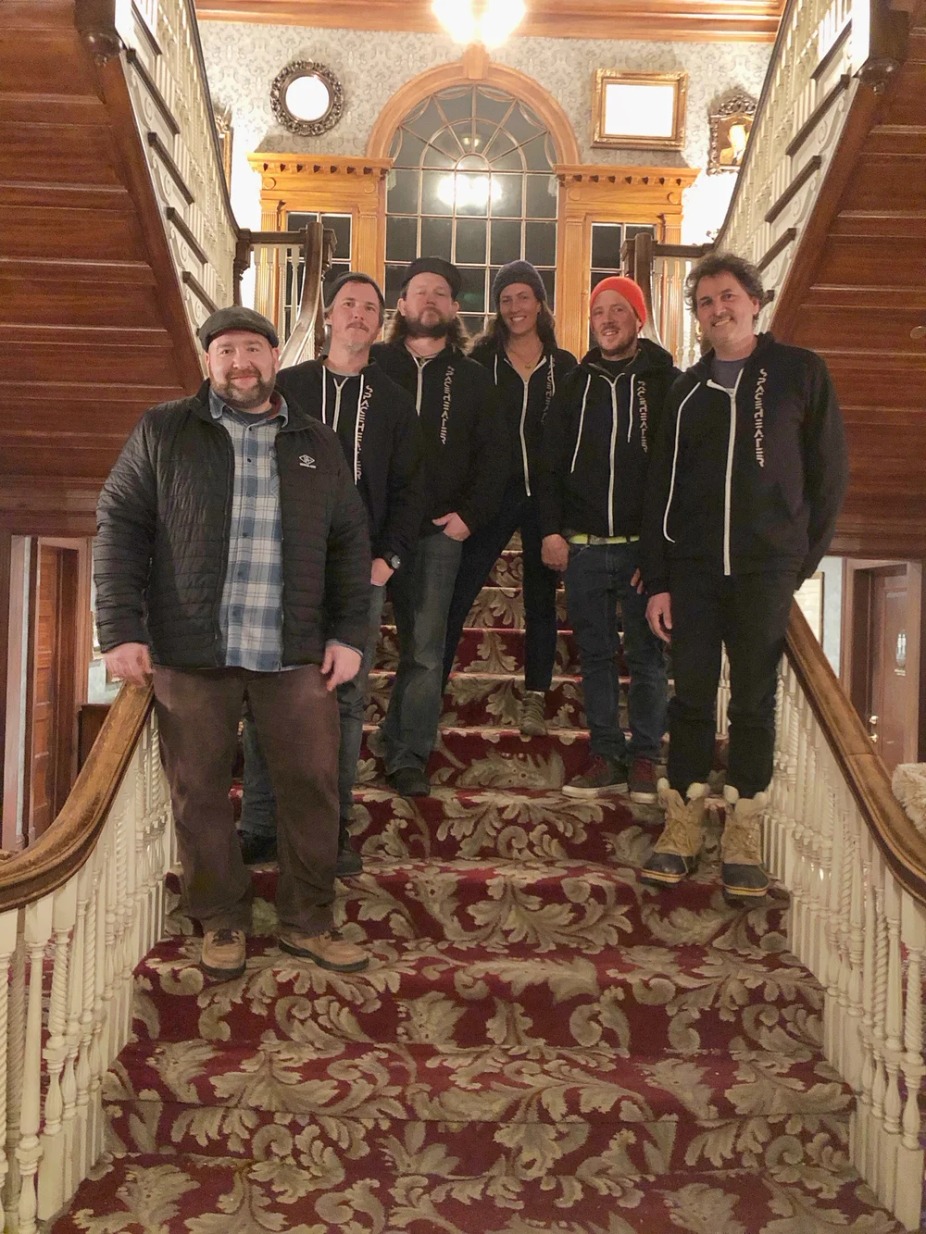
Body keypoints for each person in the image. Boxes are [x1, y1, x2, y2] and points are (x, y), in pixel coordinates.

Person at [94, 306, 372, 981]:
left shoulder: (317, 441)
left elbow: (348, 543)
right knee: (198, 792)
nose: (240, 362)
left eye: (253, 348)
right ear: (208, 361)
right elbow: (120, 524)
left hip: (294, 650)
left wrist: (349, 634)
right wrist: (120, 630)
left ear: (276, 358)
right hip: (192, 651)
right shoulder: (163, 430)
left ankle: (309, 920)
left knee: (313, 787)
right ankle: (222, 918)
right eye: (226, 350)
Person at [640, 252, 848, 900]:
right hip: (694, 573)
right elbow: (659, 490)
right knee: (691, 698)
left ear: (754, 301)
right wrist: (659, 579)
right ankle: (682, 825)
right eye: (705, 302)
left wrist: (797, 561)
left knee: (754, 702)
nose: (717, 309)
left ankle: (742, 834)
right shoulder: (684, 392)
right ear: (698, 317)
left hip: (765, 572)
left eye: (727, 296)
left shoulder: (800, 373)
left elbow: (829, 475)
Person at [238, 273, 424, 874]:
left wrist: (387, 559)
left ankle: (331, 829)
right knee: (267, 695)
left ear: (380, 322)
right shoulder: (288, 387)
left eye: (370, 307)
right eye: (348, 304)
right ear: (328, 316)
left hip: (356, 578)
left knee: (344, 703)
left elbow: (410, 488)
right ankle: (259, 825)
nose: (358, 315)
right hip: (279, 569)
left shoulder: (395, 400)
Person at [536, 276, 678, 803]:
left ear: (639, 318)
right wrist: (550, 531)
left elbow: (680, 475)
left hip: (643, 549)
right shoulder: (574, 385)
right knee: (594, 657)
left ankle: (645, 757)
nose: (608, 320)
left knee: (646, 659)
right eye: (600, 312)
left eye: (619, 310)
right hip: (585, 548)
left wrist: (662, 556)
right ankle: (606, 755)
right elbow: (548, 466)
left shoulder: (668, 384)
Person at [371, 257, 508, 797]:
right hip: (371, 534)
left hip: (435, 536)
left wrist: (467, 517)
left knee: (426, 651)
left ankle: (408, 754)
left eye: (440, 293)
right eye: (419, 291)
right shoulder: (372, 366)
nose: (429, 300)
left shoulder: (474, 378)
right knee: (347, 644)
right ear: (402, 303)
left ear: (453, 308)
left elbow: (495, 458)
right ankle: (333, 749)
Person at [442, 261, 577, 736]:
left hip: (546, 500)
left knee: (541, 602)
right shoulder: (480, 363)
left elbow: (572, 442)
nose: (515, 307)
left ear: (539, 302)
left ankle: (535, 697)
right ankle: (432, 689)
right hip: (490, 498)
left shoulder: (565, 366)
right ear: (497, 308)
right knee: (458, 593)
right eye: (506, 299)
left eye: (523, 296)